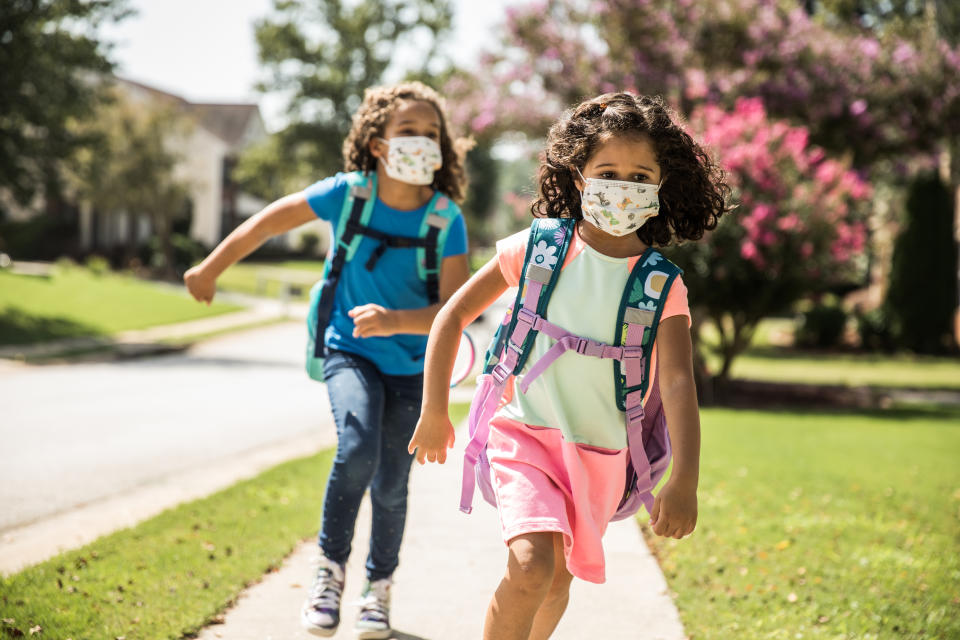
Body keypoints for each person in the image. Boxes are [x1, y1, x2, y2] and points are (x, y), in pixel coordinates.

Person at [408, 92, 729, 640]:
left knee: (556, 582)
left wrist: (686, 479)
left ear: (659, 187)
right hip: (525, 436)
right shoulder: (537, 250)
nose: (622, 187)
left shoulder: (661, 285)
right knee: (532, 567)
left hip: (601, 454)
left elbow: (677, 382)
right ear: (579, 177)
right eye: (608, 171)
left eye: (638, 175)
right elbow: (452, 314)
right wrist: (434, 409)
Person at [184, 82, 472, 639]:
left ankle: (377, 591)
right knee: (358, 446)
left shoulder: (444, 219)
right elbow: (270, 220)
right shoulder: (350, 194)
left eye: (431, 134)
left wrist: (393, 320)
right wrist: (211, 267)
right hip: (348, 350)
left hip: (414, 365)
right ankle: (329, 572)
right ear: (377, 143)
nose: (421, 142)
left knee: (392, 485)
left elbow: (452, 312)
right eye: (407, 132)